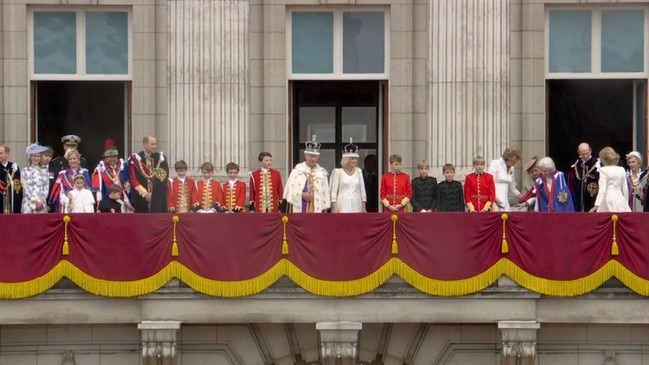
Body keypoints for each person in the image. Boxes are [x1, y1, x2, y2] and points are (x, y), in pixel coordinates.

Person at [284, 135, 331, 213]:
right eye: (311, 156)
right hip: (300, 210)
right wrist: (301, 195)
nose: (313, 159)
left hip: (317, 212)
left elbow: (325, 196)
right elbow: (289, 192)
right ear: (305, 155)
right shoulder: (297, 171)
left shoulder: (322, 173)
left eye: (315, 156)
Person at [128, 136, 169, 213]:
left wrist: (154, 194)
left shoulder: (161, 158)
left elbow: (163, 178)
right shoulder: (135, 159)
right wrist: (145, 193)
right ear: (145, 144)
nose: (155, 146)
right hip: (141, 197)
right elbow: (133, 179)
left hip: (157, 197)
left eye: (155, 144)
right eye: (152, 144)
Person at [92, 139, 133, 213]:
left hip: (122, 200)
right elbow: (98, 189)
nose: (112, 159)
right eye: (109, 157)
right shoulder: (101, 169)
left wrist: (127, 201)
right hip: (108, 202)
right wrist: (99, 205)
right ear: (106, 158)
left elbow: (127, 184)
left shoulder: (123, 167)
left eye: (114, 157)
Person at [330, 139, 366, 213]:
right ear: (346, 159)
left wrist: (363, 207)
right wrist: (334, 206)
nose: (355, 161)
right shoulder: (338, 172)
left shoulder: (358, 171)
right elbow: (333, 192)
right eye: (352, 159)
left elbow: (362, 190)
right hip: (342, 204)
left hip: (357, 204)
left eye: (356, 159)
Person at [589, 147, 631, 213]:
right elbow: (625, 189)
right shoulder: (621, 169)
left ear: (603, 159)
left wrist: (596, 205)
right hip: (620, 199)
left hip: (607, 199)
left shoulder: (603, 170)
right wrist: (626, 203)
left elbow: (602, 189)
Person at [488, 146, 522, 211]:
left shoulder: (511, 168)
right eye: (514, 161)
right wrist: (495, 198)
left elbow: (512, 187)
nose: (515, 164)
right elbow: (490, 182)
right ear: (509, 158)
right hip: (495, 197)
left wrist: (522, 197)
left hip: (505, 199)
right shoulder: (495, 163)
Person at [568, 142, 600, 212]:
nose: (585, 156)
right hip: (580, 197)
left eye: (587, 153)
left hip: (593, 196)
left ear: (590, 151)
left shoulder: (597, 164)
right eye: (583, 154)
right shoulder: (577, 165)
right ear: (579, 153)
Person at [21, 143, 50, 214]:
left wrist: (41, 201)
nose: (36, 158)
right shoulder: (25, 170)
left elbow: (46, 187)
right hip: (28, 202)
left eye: (38, 156)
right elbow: (25, 187)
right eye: (34, 156)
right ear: (30, 157)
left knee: (41, 223)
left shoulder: (45, 171)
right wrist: (33, 200)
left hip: (41, 203)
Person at [0, 145, 22, 214]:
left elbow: (17, 186)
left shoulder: (14, 167)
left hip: (11, 200)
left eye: (0, 153)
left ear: (7, 153)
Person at [42, 146, 57, 213]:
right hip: (38, 201)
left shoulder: (54, 170)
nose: (48, 158)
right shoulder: (36, 169)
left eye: (50, 156)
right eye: (46, 155)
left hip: (51, 201)